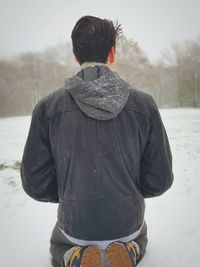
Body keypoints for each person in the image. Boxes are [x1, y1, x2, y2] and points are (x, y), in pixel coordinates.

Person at [20, 15, 174, 267]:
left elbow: (35, 183)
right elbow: (160, 179)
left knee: (57, 243)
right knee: (141, 234)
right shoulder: (144, 104)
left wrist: (70, 193)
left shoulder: (47, 108)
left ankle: (73, 255)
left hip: (75, 227)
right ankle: (131, 249)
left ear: (75, 54)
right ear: (112, 53)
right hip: (128, 223)